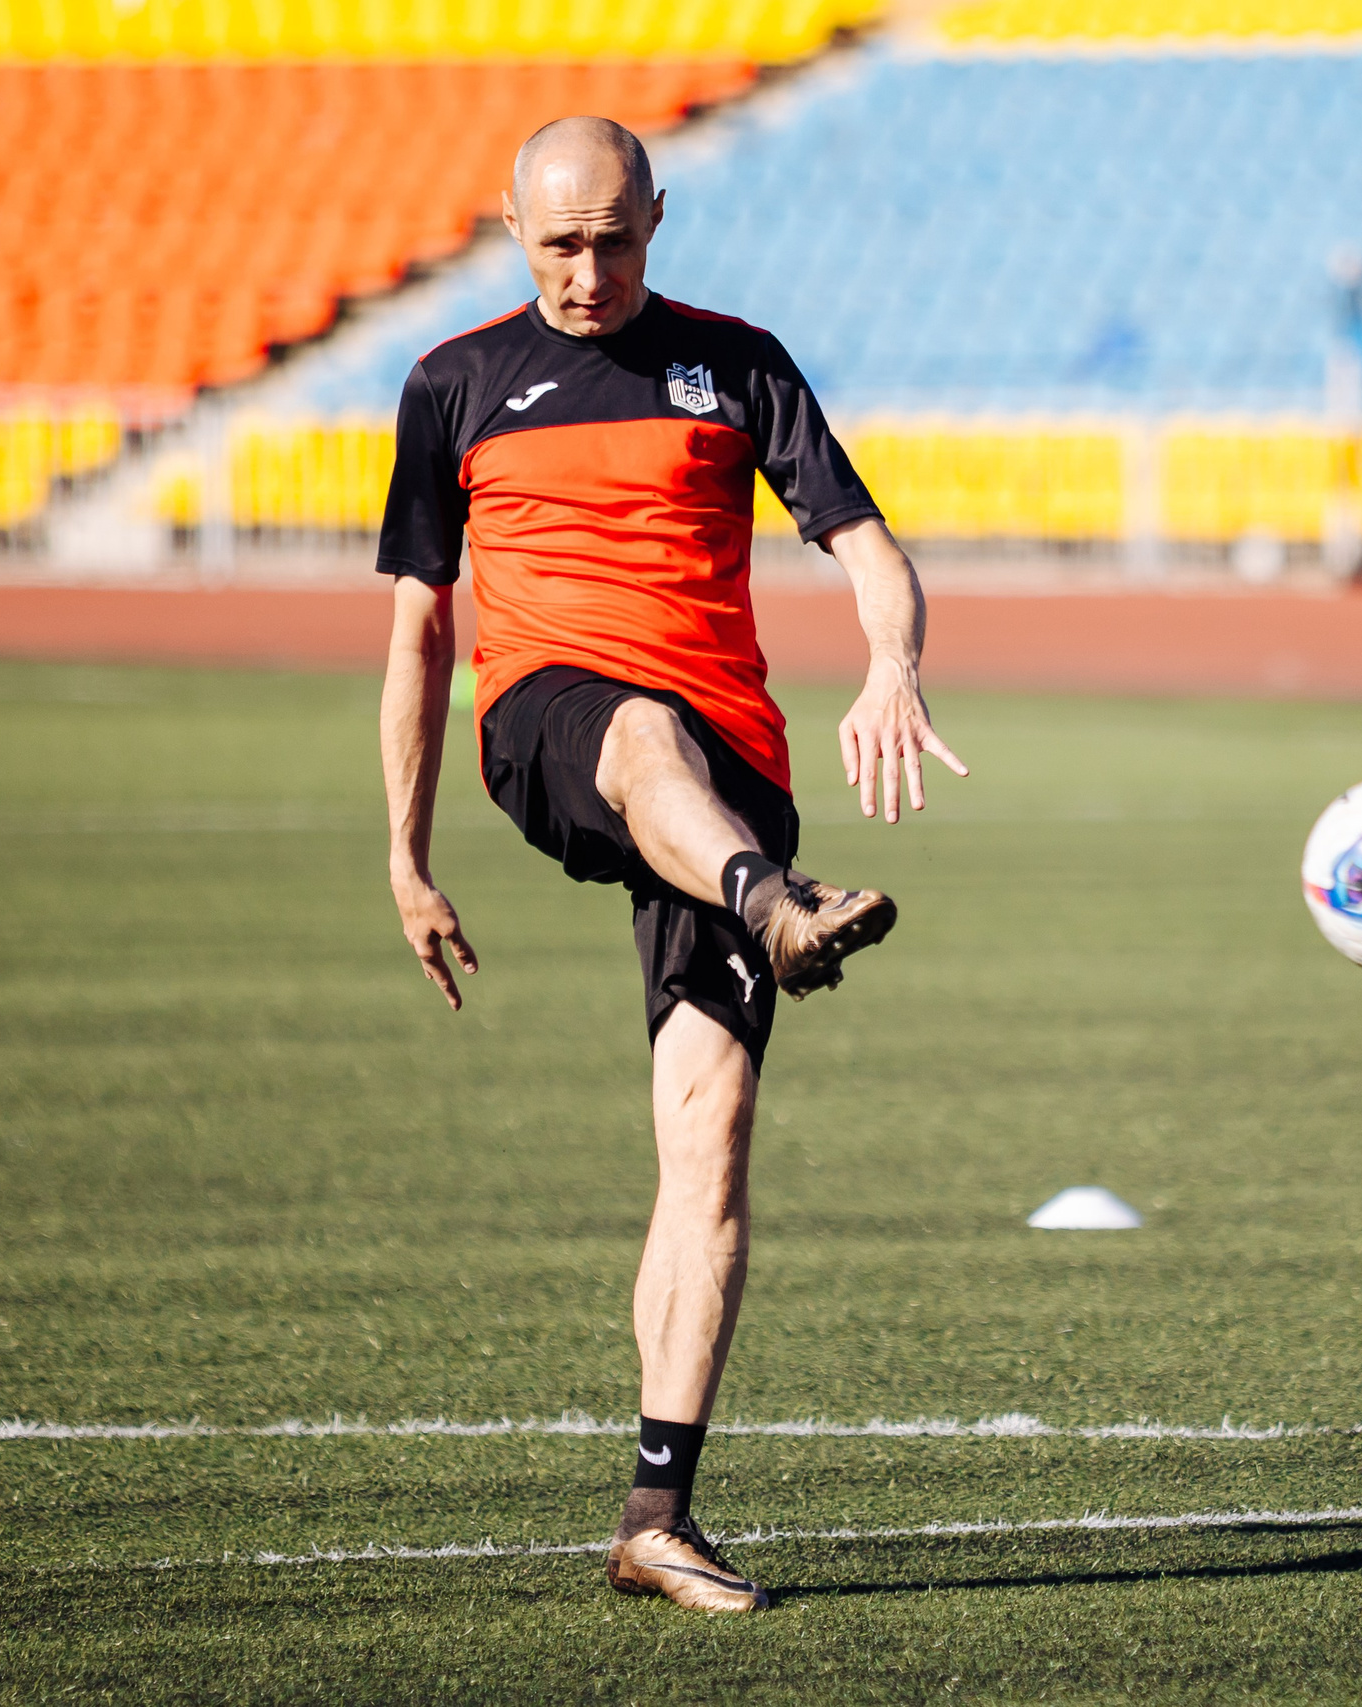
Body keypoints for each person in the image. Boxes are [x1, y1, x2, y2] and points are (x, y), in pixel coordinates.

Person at [374, 115, 966, 1614]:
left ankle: (655, 1514)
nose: (586, 271)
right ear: (513, 225)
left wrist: (892, 665)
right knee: (638, 728)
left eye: (614, 239)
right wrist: (407, 853)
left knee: (707, 1145)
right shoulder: (453, 385)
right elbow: (422, 632)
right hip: (553, 725)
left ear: (660, 215)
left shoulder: (739, 363)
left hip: (730, 769)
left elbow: (868, 546)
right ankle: (775, 902)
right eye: (557, 242)